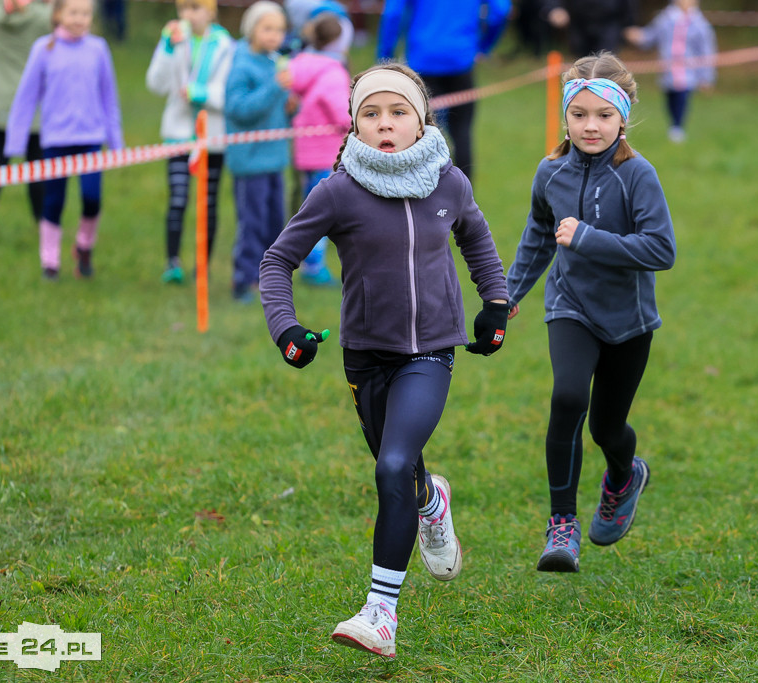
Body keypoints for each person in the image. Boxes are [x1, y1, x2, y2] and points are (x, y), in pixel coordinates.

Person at [259, 63, 510, 657]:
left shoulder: (449, 183)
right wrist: (285, 328)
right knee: (401, 471)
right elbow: (277, 261)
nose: (385, 124)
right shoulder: (337, 190)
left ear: (423, 118)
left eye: (398, 112)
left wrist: (494, 303)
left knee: (393, 465)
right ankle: (432, 500)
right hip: (365, 357)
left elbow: (474, 237)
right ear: (353, 124)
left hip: (431, 352)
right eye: (370, 113)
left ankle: (381, 613)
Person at [504, 52, 675, 573]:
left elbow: (660, 250)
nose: (591, 126)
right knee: (568, 397)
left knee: (606, 427)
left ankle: (625, 473)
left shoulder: (637, 175)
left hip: (628, 319)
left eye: (603, 115)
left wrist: (589, 238)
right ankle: (562, 527)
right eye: (579, 115)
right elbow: (538, 235)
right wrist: (507, 295)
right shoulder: (550, 171)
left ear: (623, 117)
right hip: (570, 307)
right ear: (565, 117)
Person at [5, 0, 124, 280]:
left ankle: (84, 246)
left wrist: (116, 141)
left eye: (85, 14)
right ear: (58, 14)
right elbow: (25, 98)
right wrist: (15, 142)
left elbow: (109, 97)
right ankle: (50, 262)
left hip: (91, 138)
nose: (79, 19)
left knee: (92, 198)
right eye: (73, 13)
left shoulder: (98, 49)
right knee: (53, 201)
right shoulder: (43, 50)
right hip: (56, 140)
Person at [145, 0, 234, 285]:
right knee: (178, 197)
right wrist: (167, 49)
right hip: (179, 132)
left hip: (212, 135)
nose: (187, 15)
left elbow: (228, 91)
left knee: (207, 201)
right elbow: (155, 84)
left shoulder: (225, 45)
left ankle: (202, 266)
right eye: (183, 8)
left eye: (195, 8)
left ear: (210, 11)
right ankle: (172, 262)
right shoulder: (174, 40)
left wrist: (201, 92)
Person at [376, 0, 510, 182]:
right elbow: (500, 10)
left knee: (419, 134)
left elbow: (393, 13)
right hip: (459, 59)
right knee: (461, 132)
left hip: (423, 59)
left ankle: (420, 198)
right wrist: (483, 46)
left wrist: (385, 56)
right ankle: (465, 202)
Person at [224, 1, 292, 302]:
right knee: (252, 222)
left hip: (275, 158)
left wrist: (290, 106)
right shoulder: (242, 64)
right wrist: (275, 89)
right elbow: (238, 109)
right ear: (251, 29)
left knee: (275, 221)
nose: (274, 35)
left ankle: (267, 279)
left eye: (279, 29)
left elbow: (274, 110)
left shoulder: (274, 61)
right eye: (267, 28)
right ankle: (243, 279)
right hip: (250, 160)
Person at [0, 0, 52, 235]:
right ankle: (40, 221)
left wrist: (3, 7)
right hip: (33, 101)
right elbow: (61, 17)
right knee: (35, 165)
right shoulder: (41, 18)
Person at [286, 11, 350, 287]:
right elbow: (342, 115)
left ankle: (301, 258)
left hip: (303, 149)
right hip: (326, 152)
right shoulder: (333, 72)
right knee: (321, 211)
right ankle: (313, 266)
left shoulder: (299, 63)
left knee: (308, 204)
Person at [624, 0, 716, 143]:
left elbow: (706, 51)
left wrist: (706, 77)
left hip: (688, 70)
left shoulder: (700, 24)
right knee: (671, 97)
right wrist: (639, 36)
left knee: (682, 95)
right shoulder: (665, 18)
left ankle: (678, 127)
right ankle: (674, 124)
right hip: (668, 69)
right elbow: (651, 35)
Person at [542, 0, 636, 58]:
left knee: (605, 60)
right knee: (581, 62)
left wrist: (629, 23)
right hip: (579, 23)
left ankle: (602, 88)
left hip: (609, 22)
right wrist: (555, 8)